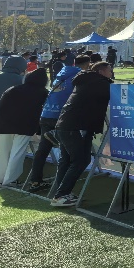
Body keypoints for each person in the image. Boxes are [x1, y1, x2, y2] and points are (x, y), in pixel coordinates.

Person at [50, 61, 115, 207]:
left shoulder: (86, 80)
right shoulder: (99, 83)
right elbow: (117, 92)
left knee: (67, 160)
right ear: (101, 72)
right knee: (80, 160)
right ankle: (61, 195)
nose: (111, 74)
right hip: (75, 127)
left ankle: (61, 193)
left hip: (66, 124)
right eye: (109, 71)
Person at [23, 55, 90, 192]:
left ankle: (35, 181)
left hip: (47, 113)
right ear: (88, 64)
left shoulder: (61, 74)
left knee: (43, 150)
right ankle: (61, 189)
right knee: (66, 155)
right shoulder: (80, 75)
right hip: (61, 116)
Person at [0, 67, 49, 186]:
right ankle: (10, 179)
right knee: (17, 153)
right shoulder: (43, 92)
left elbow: (0, 108)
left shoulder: (12, 89)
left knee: (3, 152)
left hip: (5, 124)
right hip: (25, 125)